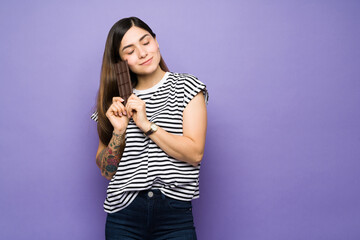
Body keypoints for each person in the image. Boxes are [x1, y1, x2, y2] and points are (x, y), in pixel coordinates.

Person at [91, 16, 208, 240]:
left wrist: (146, 125)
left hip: (174, 216)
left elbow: (195, 154)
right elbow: (107, 172)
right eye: (130, 50)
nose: (143, 53)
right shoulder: (113, 104)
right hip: (123, 216)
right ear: (121, 61)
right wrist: (118, 131)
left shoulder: (188, 87)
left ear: (156, 41)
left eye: (146, 42)